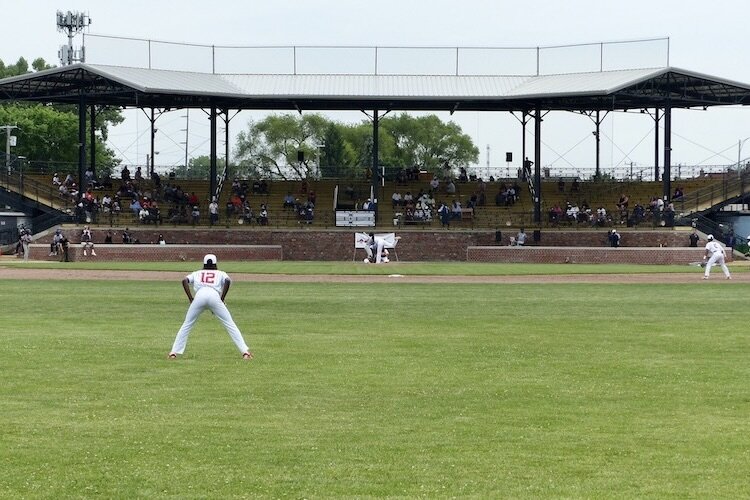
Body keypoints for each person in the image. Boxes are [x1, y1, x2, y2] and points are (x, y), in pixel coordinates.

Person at [168, 254, 253, 360]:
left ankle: (173, 352)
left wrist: (191, 299)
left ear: (204, 263)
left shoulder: (197, 273)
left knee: (187, 324)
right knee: (230, 324)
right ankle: (245, 352)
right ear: (215, 263)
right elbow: (227, 281)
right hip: (214, 296)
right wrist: (222, 298)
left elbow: (184, 281)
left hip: (199, 296)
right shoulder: (220, 273)